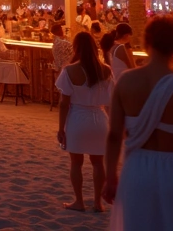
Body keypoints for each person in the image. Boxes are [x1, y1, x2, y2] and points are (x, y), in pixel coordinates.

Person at [103, 17, 173, 228]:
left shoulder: (125, 81)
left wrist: (110, 177)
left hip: (137, 170)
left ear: (146, 42)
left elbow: (114, 135)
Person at [56, 32, 114, 213]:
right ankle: (97, 202)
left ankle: (79, 201)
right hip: (99, 118)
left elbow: (64, 103)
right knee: (98, 163)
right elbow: (112, 100)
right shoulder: (105, 70)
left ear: (76, 48)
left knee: (76, 162)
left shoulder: (69, 71)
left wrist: (61, 128)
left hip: (77, 118)